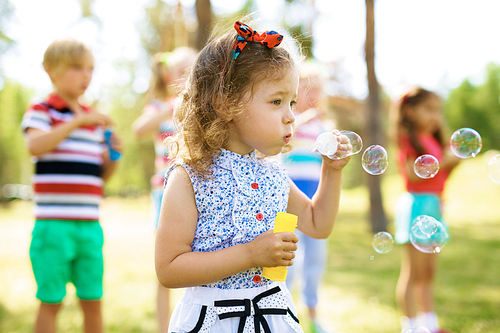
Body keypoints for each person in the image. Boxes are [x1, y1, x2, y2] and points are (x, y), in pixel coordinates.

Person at [154, 20, 351, 333]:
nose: (291, 116)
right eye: (276, 102)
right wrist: (250, 254)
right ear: (225, 104)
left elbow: (318, 224)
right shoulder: (190, 175)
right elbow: (169, 269)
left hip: (270, 315)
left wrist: (332, 170)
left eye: (292, 102)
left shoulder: (274, 174)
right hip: (214, 320)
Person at [21, 38, 121, 333]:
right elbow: (36, 146)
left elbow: (98, 177)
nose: (86, 75)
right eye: (77, 68)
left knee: (92, 299)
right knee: (51, 301)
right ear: (50, 70)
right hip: (53, 226)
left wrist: (113, 155)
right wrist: (77, 122)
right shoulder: (43, 109)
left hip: (89, 226)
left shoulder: (93, 122)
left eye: (90, 69)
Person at [132, 46, 197, 333]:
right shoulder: (161, 105)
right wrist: (172, 105)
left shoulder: (201, 107)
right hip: (164, 192)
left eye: (192, 72)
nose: (187, 78)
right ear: (169, 75)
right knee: (166, 264)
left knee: (196, 261)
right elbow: (138, 129)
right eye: (181, 72)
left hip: (197, 192)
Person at [393, 87, 460, 333]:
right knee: (413, 272)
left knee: (429, 272)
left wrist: (453, 164)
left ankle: (429, 324)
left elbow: (441, 176)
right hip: (416, 206)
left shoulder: (433, 140)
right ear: (409, 111)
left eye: (438, 111)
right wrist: (445, 161)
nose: (436, 116)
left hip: (433, 206)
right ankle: (410, 326)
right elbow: (414, 174)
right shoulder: (408, 139)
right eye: (429, 109)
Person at [281, 60, 335, 333]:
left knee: (315, 259)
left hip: (315, 200)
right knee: (288, 259)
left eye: (318, 90)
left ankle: (313, 311)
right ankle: (284, 309)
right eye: (306, 89)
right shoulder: (288, 123)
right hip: (289, 202)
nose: (312, 96)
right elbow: (283, 144)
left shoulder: (322, 127)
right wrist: (303, 119)